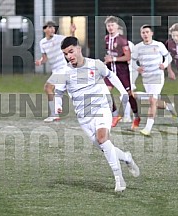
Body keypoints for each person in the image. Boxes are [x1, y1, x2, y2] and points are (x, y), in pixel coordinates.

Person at [53, 36, 140, 192]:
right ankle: (126, 157)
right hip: (83, 117)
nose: (69, 56)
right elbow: (58, 92)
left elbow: (111, 76)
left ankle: (119, 179)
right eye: (65, 54)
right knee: (105, 146)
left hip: (101, 109)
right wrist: (58, 106)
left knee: (102, 139)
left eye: (71, 52)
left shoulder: (95, 64)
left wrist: (122, 92)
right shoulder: (64, 72)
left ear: (78, 48)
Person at [132, 24, 176, 136]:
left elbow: (168, 57)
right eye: (143, 32)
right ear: (141, 34)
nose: (145, 34)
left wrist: (165, 65)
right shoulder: (137, 47)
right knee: (153, 100)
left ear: (151, 33)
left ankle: (147, 128)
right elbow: (132, 61)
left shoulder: (159, 45)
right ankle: (168, 106)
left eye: (147, 32)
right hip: (146, 78)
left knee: (152, 101)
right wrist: (137, 68)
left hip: (157, 76)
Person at [103, 16, 140, 129]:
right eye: (108, 25)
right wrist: (106, 61)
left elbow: (127, 57)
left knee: (128, 95)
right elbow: (110, 55)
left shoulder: (122, 40)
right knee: (105, 91)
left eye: (112, 25)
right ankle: (115, 115)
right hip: (110, 71)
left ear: (117, 26)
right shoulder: (106, 39)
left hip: (122, 72)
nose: (110, 27)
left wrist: (113, 59)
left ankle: (137, 116)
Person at [35, 21, 76, 122]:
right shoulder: (42, 43)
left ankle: (54, 113)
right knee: (64, 90)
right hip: (56, 70)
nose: (52, 29)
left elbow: (69, 40)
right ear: (44, 30)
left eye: (53, 27)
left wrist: (72, 32)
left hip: (63, 68)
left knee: (48, 87)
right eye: (49, 27)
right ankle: (56, 112)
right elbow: (45, 58)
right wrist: (40, 62)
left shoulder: (59, 38)